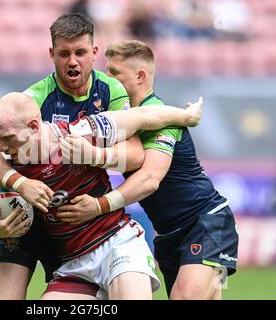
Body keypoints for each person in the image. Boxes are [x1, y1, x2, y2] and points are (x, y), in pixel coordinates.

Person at [0, 13, 145, 299]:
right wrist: (18, 186)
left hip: (75, 233)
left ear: (94, 53)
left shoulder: (110, 91)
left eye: (80, 53)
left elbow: (134, 155)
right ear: (52, 54)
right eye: (64, 54)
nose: (72, 61)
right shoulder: (35, 98)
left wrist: (93, 155)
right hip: (20, 223)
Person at [0, 92, 202, 299]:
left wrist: (187, 116)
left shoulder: (78, 134)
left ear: (33, 127)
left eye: (6, 138)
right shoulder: (8, 166)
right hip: (74, 264)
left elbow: (142, 117)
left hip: (117, 245)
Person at [57, 40, 239, 300]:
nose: (108, 80)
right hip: (167, 232)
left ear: (140, 76)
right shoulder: (123, 118)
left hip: (204, 221)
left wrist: (99, 206)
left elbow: (150, 179)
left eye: (115, 73)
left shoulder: (160, 118)